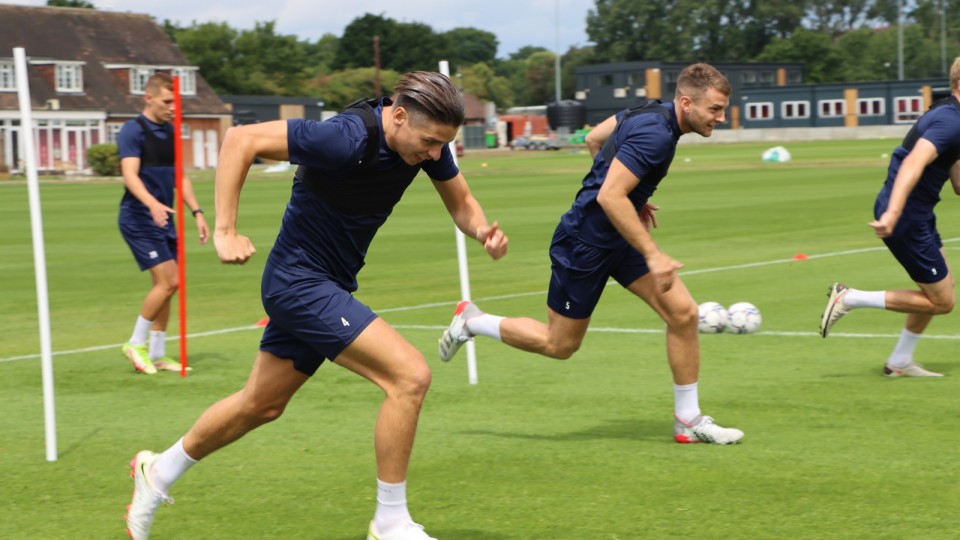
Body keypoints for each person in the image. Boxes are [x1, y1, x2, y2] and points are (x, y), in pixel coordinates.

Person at [125, 71, 508, 540]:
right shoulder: (345, 138)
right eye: (429, 142)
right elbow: (240, 139)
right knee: (409, 376)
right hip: (297, 283)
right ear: (400, 116)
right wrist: (224, 230)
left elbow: (462, 202)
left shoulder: (426, 142)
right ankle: (390, 523)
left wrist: (482, 230)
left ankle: (157, 471)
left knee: (260, 404)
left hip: (328, 284)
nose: (434, 154)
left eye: (440, 145)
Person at [438, 63, 743, 445]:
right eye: (715, 109)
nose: (721, 117)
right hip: (584, 244)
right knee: (560, 344)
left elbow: (596, 139)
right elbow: (608, 195)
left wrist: (632, 196)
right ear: (686, 102)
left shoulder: (647, 109)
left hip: (618, 236)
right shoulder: (658, 136)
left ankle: (688, 420)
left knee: (682, 314)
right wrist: (652, 251)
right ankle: (472, 321)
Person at [819, 58, 960, 377]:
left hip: (917, 214)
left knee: (943, 284)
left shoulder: (950, 115)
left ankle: (899, 361)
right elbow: (912, 164)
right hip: (905, 216)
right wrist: (894, 213)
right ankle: (850, 298)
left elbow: (958, 184)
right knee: (942, 302)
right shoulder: (951, 122)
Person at [118, 72, 208, 374]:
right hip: (138, 217)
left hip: (164, 219)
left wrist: (197, 212)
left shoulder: (171, 132)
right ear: (149, 98)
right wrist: (153, 203)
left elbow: (179, 177)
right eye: (168, 101)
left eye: (176, 101)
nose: (173, 107)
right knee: (169, 282)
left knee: (169, 286)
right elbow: (129, 175)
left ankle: (157, 353)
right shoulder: (133, 130)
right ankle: (135, 343)